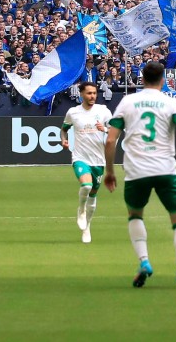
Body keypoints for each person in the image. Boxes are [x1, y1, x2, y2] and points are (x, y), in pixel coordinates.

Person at [104, 61, 176, 289]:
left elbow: (110, 140)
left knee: (135, 215)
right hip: (165, 169)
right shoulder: (170, 102)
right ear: (164, 80)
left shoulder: (128, 101)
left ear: (141, 79)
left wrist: (109, 171)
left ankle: (144, 262)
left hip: (136, 170)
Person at [61, 81, 113, 244]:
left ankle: (87, 227)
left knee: (93, 193)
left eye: (94, 93)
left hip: (98, 160)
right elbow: (64, 129)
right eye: (89, 93)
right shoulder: (73, 112)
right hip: (80, 157)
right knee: (86, 186)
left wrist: (104, 129)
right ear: (81, 94)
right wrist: (64, 140)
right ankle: (81, 209)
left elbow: (115, 130)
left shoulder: (103, 111)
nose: (92, 96)